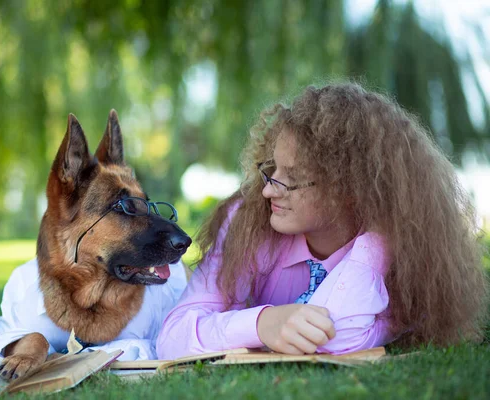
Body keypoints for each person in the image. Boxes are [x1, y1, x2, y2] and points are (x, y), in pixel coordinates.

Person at [156, 83, 488, 359]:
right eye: (273, 169)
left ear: (350, 189)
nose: (269, 189)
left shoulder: (401, 251)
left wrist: (375, 241)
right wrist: (262, 323)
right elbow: (173, 337)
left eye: (292, 177)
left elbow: (335, 337)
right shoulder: (248, 220)